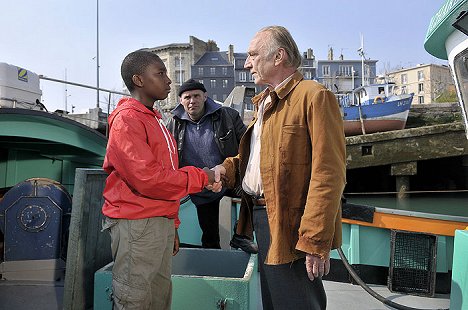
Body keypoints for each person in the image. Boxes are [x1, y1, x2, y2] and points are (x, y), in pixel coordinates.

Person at [213, 26, 346, 310]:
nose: (247, 63)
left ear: (278, 56)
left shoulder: (314, 96)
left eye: (252, 55)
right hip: (263, 217)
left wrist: (314, 239)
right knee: (275, 301)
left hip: (293, 224)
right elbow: (260, 162)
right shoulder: (265, 103)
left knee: (296, 302)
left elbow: (329, 173)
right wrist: (227, 170)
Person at [101, 50, 221, 310]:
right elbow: (149, 179)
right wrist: (203, 176)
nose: (169, 80)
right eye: (160, 73)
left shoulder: (154, 120)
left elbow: (163, 176)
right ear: (139, 80)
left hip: (157, 223)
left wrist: (172, 224)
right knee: (134, 299)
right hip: (137, 224)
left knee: (158, 297)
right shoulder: (128, 121)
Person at [167, 79, 254, 250]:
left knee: (252, 192)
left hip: (227, 175)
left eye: (197, 96)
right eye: (187, 97)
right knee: (209, 234)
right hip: (201, 185)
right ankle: (213, 265)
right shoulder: (173, 123)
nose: (192, 101)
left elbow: (247, 144)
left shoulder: (227, 116)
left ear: (205, 96)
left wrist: (231, 170)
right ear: (181, 100)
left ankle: (241, 235)